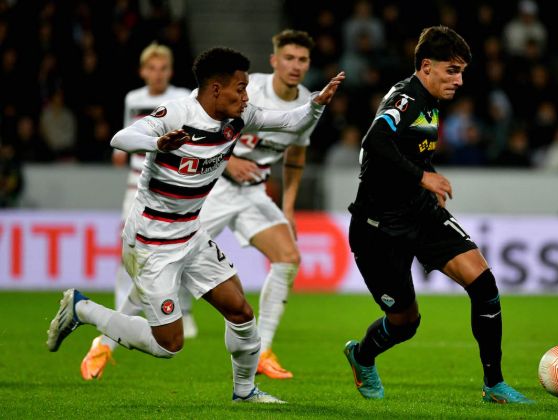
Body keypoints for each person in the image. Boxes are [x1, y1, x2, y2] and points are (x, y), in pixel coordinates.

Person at [46, 47, 344, 403]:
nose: (246, 96)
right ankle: (82, 309)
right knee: (168, 345)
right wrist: (156, 143)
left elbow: (288, 122)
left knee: (240, 311)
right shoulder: (177, 113)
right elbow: (120, 138)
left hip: (191, 233)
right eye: (240, 87)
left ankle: (245, 391)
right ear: (216, 89)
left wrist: (316, 104)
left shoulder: (239, 116)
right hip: (151, 243)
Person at [343, 26, 532, 404]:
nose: (459, 80)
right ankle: (361, 355)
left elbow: (409, 149)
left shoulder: (429, 100)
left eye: (461, 72)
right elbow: (374, 142)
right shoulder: (405, 98)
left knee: (484, 285)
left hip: (421, 213)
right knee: (405, 324)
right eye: (452, 70)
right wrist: (422, 176)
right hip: (379, 229)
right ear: (426, 66)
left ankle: (494, 385)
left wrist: (424, 180)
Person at [198, 29, 314, 380]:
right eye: (289, 58)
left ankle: (263, 351)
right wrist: (228, 161)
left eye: (303, 60)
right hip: (213, 185)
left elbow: (296, 154)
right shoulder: (247, 88)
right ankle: (104, 342)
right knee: (165, 261)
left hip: (253, 193)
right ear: (274, 60)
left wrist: (289, 209)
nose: (295, 66)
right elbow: (201, 118)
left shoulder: (307, 100)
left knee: (289, 258)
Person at [80, 42, 194, 382]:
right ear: (143, 71)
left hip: (171, 187)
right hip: (136, 188)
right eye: (152, 68)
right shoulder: (133, 99)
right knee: (128, 257)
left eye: (162, 68)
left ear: (170, 71)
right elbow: (128, 138)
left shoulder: (182, 97)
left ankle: (181, 312)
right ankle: (121, 318)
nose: (157, 74)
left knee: (180, 252)